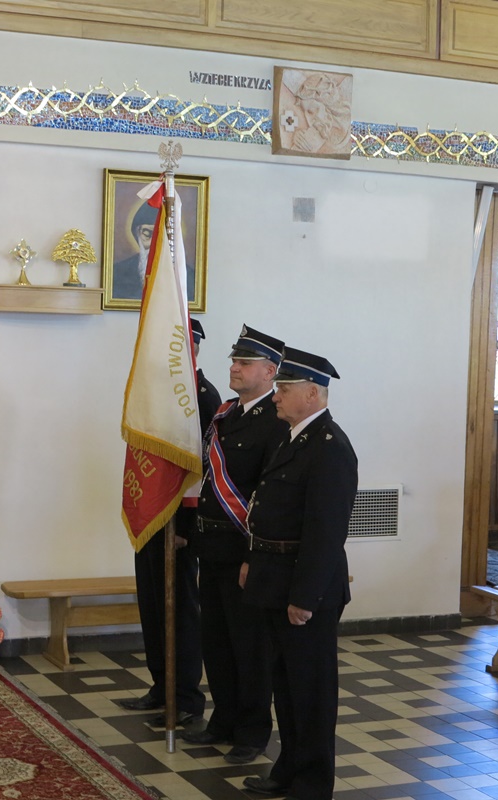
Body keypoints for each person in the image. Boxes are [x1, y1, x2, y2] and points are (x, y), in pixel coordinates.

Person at [240, 347, 358, 800]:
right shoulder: (292, 438)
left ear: (312, 394)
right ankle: (288, 767)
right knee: (285, 686)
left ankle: (312, 782)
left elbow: (325, 532)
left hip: (306, 590)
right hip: (275, 578)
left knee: (311, 691)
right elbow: (268, 509)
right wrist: (252, 560)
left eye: (284, 389)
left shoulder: (330, 448)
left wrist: (305, 598)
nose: (275, 396)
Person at [181, 325, 288, 765]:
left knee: (250, 646)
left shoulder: (276, 422)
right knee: (217, 641)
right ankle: (223, 720)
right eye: (234, 360)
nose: (234, 367)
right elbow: (208, 480)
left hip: (244, 550)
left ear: (270, 372)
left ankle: (252, 730)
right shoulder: (227, 413)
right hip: (211, 545)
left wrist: (252, 555)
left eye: (244, 362)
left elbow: (269, 495)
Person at [115, 319, 219, 726]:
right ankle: (162, 686)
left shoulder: (203, 397)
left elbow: (205, 470)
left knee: (181, 613)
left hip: (182, 526)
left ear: (189, 349)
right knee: (153, 607)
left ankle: (186, 697)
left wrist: (189, 531)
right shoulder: (155, 397)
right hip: (153, 520)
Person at [112, 201, 195, 302]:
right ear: (137, 234)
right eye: (147, 234)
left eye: (161, 236)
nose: (154, 243)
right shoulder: (117, 273)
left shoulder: (189, 277)